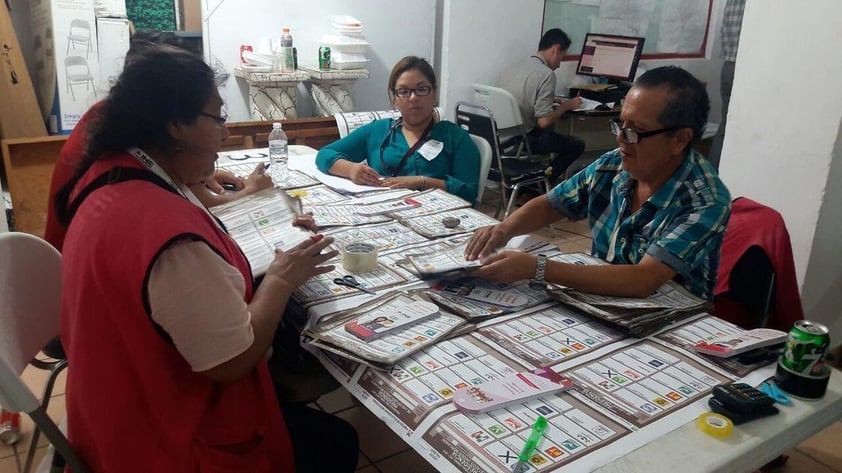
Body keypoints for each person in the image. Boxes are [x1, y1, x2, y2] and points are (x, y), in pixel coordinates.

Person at [56, 48, 358, 472]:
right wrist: (281, 279)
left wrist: (271, 224)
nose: (226, 132)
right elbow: (233, 361)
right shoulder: (167, 237)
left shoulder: (110, 173)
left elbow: (199, 243)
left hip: (112, 407)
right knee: (335, 441)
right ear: (175, 123)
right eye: (217, 118)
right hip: (166, 443)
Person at [466, 66, 731, 302]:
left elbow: (643, 280)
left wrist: (537, 268)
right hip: (602, 298)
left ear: (680, 140)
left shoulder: (704, 200)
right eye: (620, 124)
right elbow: (551, 204)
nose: (621, 140)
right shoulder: (613, 165)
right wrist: (503, 230)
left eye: (635, 131)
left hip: (670, 321)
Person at [44, 33, 272, 251]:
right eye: (217, 119)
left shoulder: (118, 122)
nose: (225, 134)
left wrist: (197, 170)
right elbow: (201, 207)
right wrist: (252, 190)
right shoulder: (150, 198)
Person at [315, 56, 481, 203]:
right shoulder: (378, 131)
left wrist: (422, 182)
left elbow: (468, 193)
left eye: (422, 89)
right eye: (404, 91)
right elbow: (324, 155)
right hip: (385, 215)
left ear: (434, 93)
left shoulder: (456, 137)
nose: (413, 98)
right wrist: (351, 169)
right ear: (394, 98)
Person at [496, 28, 586, 182]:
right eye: (561, 58)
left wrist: (553, 100)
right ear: (556, 49)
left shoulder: (515, 66)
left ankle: (536, 183)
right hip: (524, 140)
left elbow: (523, 96)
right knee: (576, 145)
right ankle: (544, 182)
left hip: (500, 137)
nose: (559, 65)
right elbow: (544, 122)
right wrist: (567, 106)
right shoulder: (546, 74)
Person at [708, 0, 746, 170]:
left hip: (729, 66)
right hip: (748, 68)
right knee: (743, 130)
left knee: (726, 127)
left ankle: (713, 178)